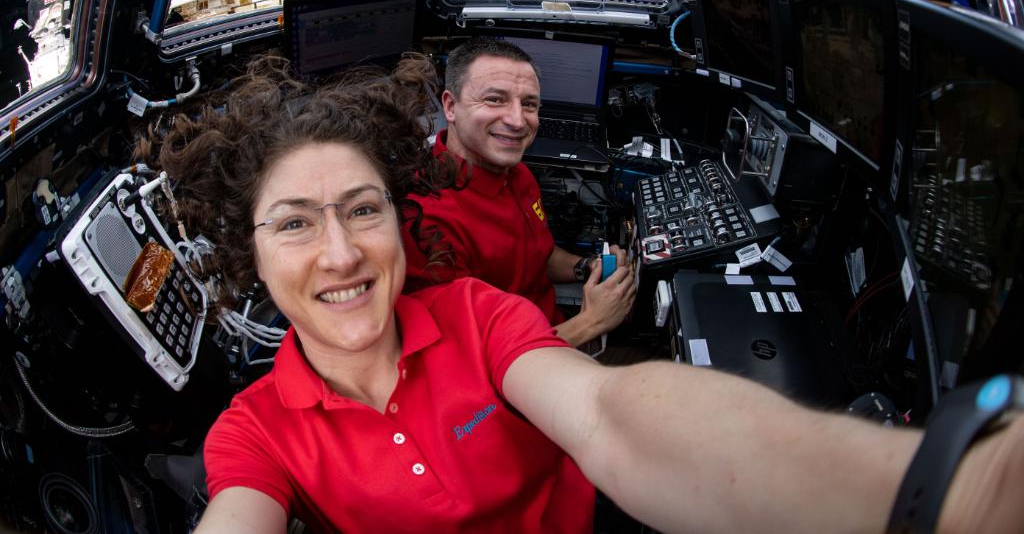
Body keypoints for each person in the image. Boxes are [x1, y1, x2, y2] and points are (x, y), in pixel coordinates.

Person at [151, 54, 1024, 534]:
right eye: (296, 224)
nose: (341, 253)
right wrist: (592, 323)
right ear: (249, 254)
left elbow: (611, 415)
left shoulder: (477, 315)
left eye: (362, 209)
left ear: (393, 214)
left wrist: (937, 490)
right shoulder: (254, 433)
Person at [402, 37, 635, 347]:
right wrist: (592, 321)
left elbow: (538, 255)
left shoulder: (518, 174)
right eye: (495, 99)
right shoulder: (426, 220)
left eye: (529, 104)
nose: (517, 121)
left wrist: (586, 267)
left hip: (555, 329)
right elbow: (472, 358)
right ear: (450, 106)